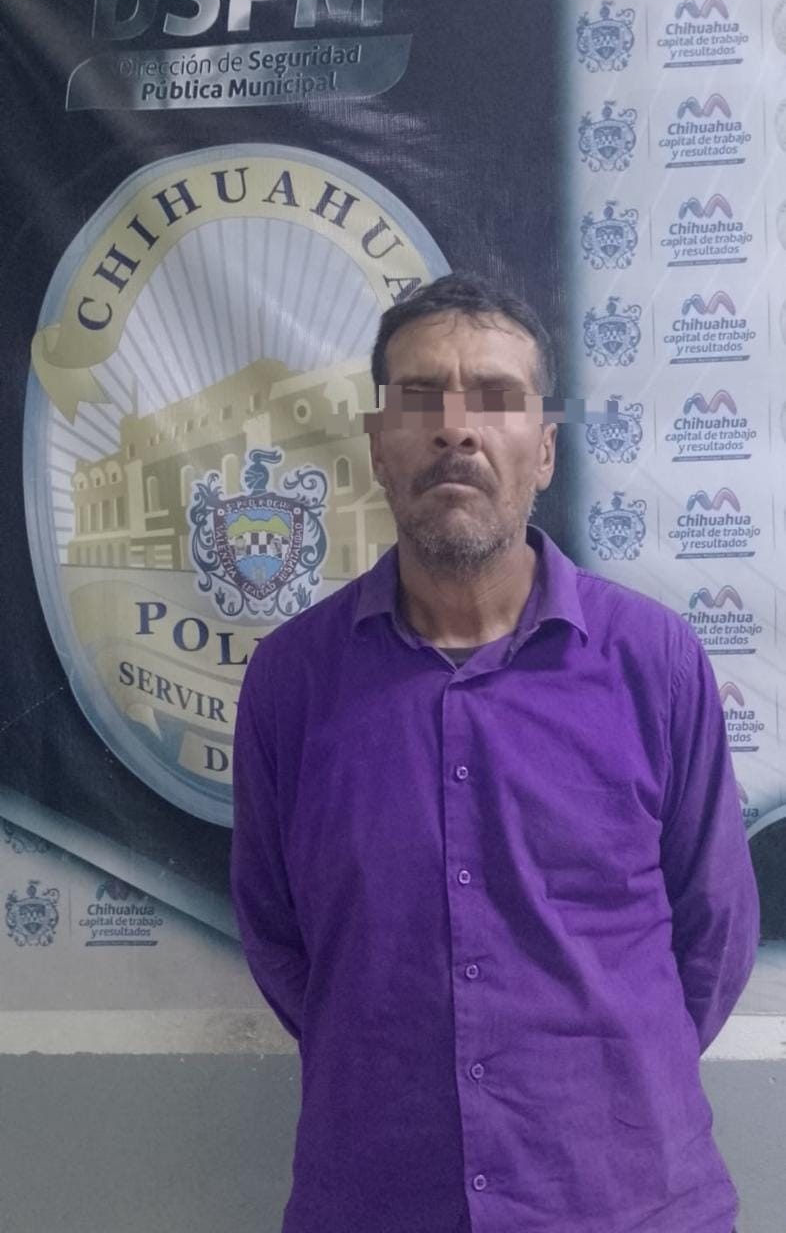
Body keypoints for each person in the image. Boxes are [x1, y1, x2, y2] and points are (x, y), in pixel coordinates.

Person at [231, 273, 759, 1233]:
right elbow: (278, 935)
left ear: (544, 448)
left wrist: (605, 1095)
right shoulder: (291, 680)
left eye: (496, 397)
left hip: (627, 1204)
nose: (456, 430)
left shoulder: (655, 662)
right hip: (380, 1203)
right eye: (421, 397)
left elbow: (713, 933)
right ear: (378, 445)